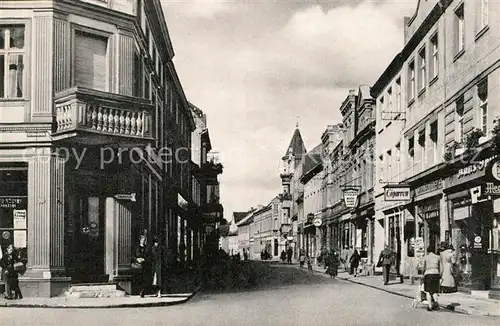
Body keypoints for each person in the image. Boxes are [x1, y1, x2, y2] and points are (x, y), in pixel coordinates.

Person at [423, 246, 440, 311]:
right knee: (435, 290)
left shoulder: (426, 257)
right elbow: (441, 267)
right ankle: (436, 301)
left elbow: (423, 268)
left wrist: (422, 274)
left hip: (428, 274)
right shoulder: (437, 257)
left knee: (428, 291)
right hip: (436, 273)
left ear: (428, 251)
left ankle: (430, 306)